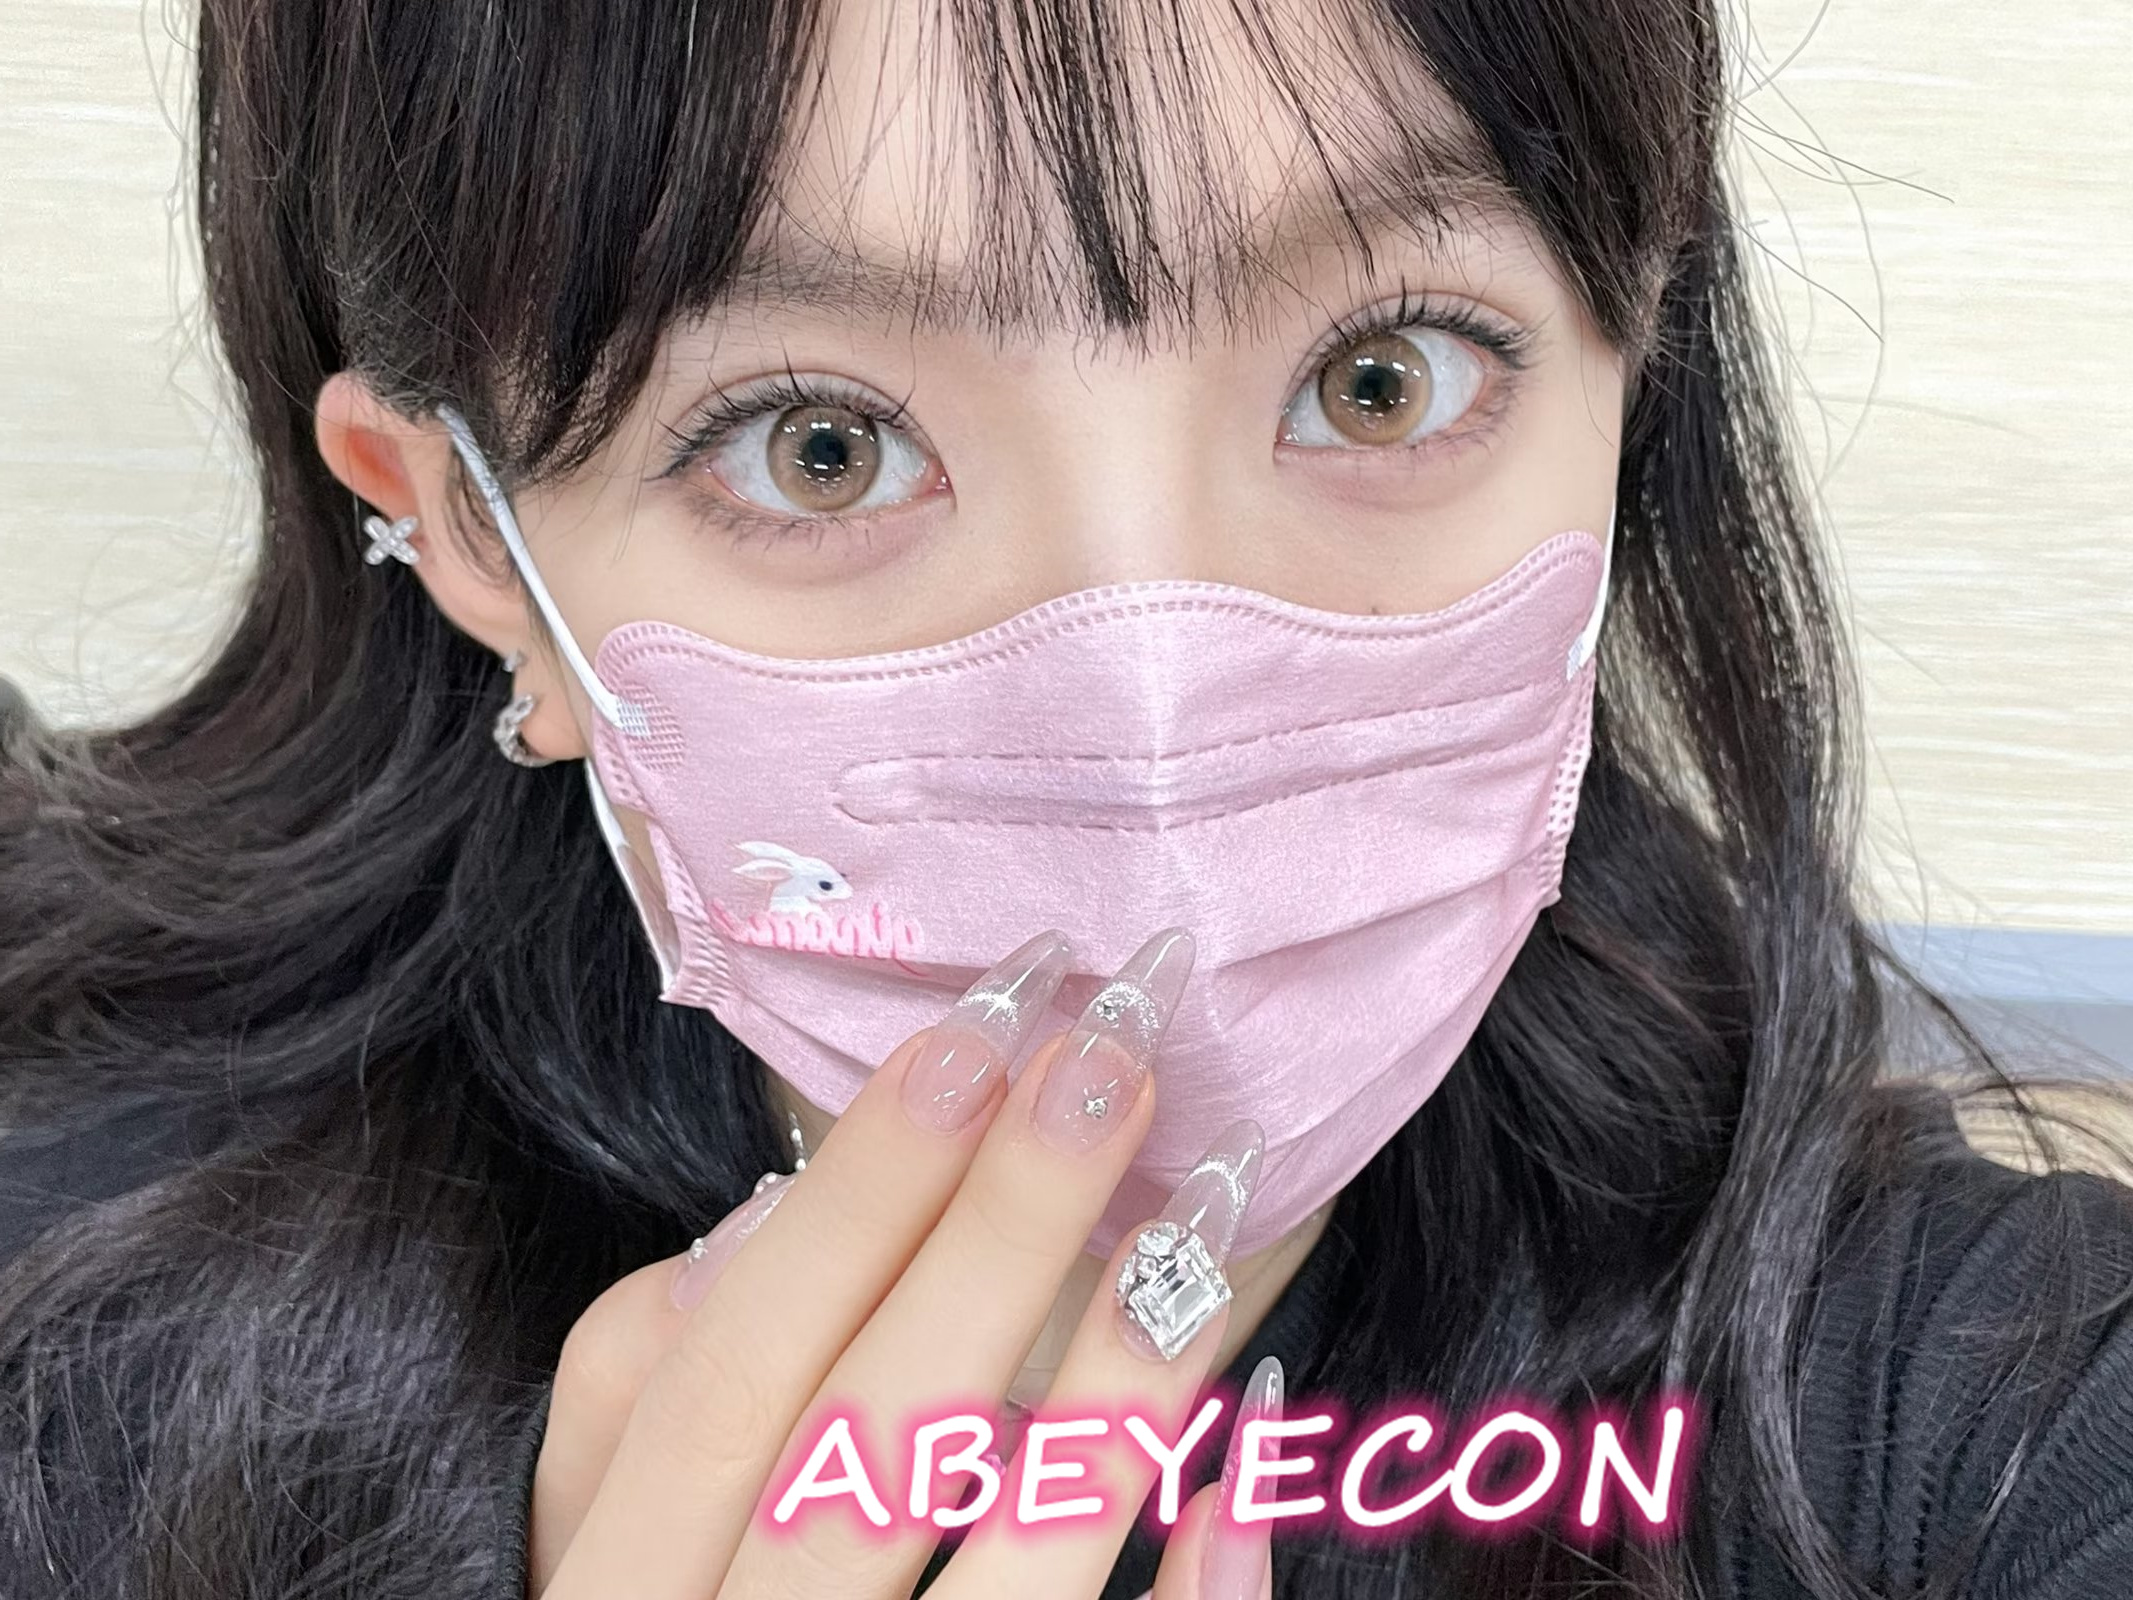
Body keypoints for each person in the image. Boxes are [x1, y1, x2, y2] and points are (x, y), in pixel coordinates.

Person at [2, 1, 2129, 1596]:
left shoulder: (1977, 1400)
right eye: (819, 443)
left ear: (1627, 369)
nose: (1152, 731)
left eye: (1378, 374)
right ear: (472, 532)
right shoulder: (64, 1327)